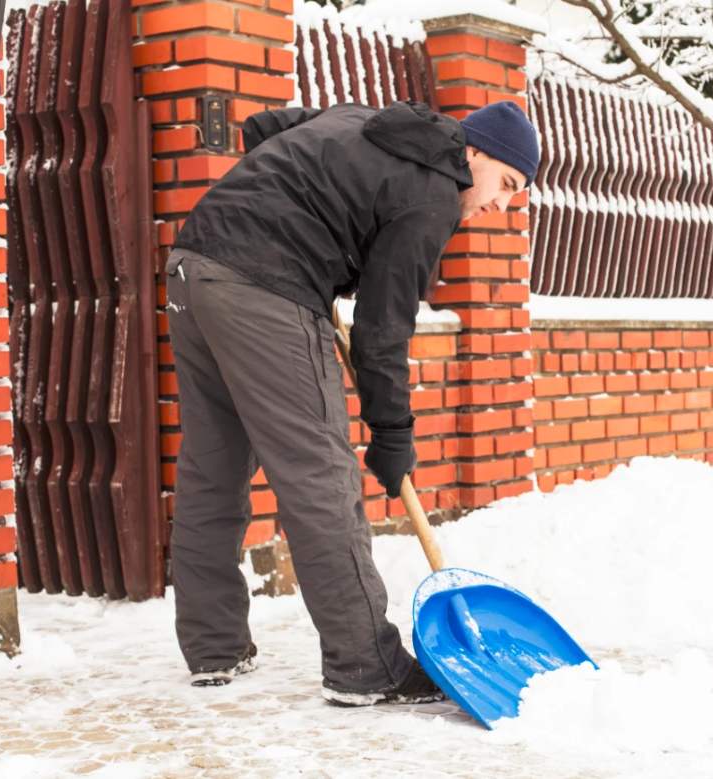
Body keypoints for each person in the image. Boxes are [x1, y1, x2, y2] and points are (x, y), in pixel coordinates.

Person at [164, 99, 539, 704]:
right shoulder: (433, 194)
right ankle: (366, 667)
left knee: (213, 469)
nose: (501, 203)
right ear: (474, 153)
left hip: (194, 266)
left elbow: (268, 127)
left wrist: (303, 208)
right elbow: (382, 328)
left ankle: (215, 650)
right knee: (322, 476)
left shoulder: (366, 119)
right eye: (507, 183)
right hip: (266, 289)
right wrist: (392, 434)